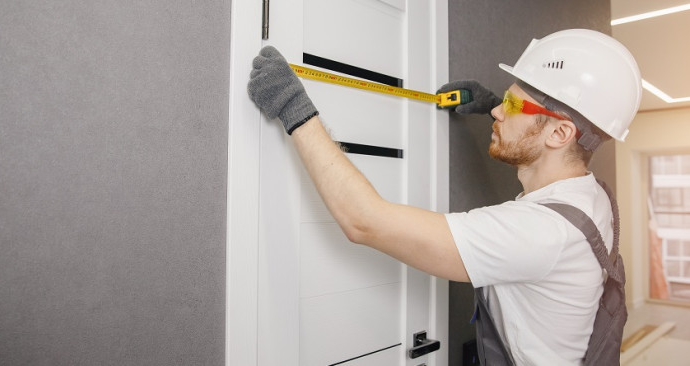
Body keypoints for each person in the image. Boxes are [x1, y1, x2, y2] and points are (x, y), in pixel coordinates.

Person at [247, 29, 641, 365]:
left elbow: (363, 220)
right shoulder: (591, 197)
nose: (500, 112)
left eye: (514, 104)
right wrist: (497, 109)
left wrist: (293, 108)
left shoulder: (541, 233)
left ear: (559, 135)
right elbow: (544, 147)